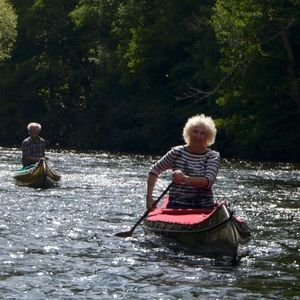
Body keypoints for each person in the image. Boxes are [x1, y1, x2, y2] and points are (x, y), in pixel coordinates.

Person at [146, 114, 220, 210]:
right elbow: (154, 171)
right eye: (195, 131)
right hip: (176, 205)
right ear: (189, 132)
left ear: (208, 136)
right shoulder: (177, 152)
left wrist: (184, 179)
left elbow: (208, 181)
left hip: (203, 207)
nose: (198, 136)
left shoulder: (212, 156)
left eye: (203, 133)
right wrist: (149, 198)